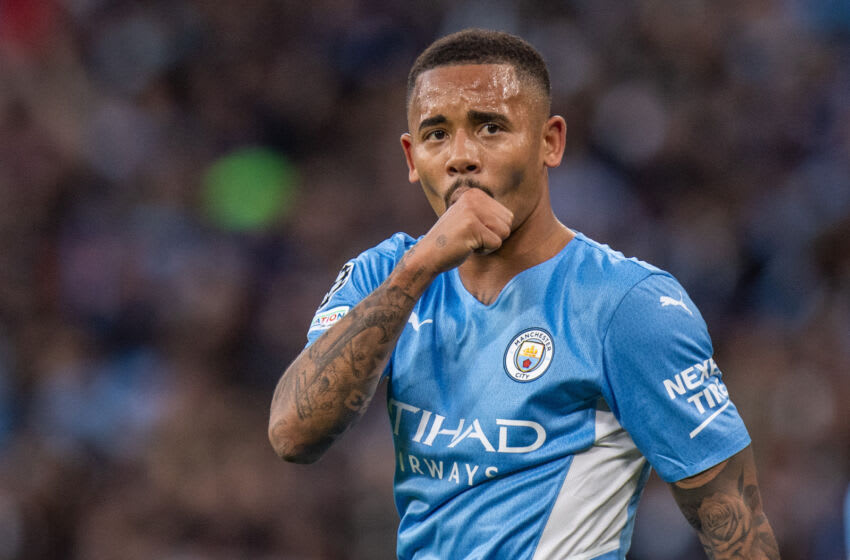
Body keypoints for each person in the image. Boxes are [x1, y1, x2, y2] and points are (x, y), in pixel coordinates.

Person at [269, 29, 780, 559]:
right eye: (436, 134)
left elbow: (737, 527)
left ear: (549, 142)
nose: (461, 156)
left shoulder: (627, 305)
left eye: (490, 127)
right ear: (410, 154)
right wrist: (416, 270)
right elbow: (293, 436)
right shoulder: (386, 274)